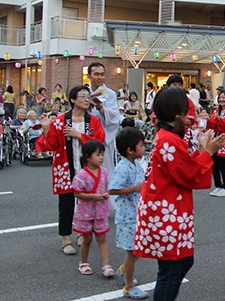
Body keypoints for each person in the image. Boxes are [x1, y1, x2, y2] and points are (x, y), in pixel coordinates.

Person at [134, 87, 225, 300]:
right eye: (187, 112)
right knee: (171, 270)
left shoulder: (168, 137)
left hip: (167, 209)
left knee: (181, 262)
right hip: (166, 211)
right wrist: (208, 153)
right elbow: (188, 174)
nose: (190, 117)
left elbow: (181, 166)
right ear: (177, 113)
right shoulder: (169, 139)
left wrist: (203, 152)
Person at [36, 85, 105, 255]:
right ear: (73, 100)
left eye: (88, 97)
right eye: (82, 96)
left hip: (86, 168)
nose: (86, 100)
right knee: (66, 204)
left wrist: (79, 135)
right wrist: (46, 127)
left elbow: (99, 142)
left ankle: (82, 233)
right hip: (65, 166)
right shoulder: (60, 121)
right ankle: (66, 238)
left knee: (85, 203)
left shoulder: (93, 121)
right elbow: (51, 145)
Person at [108, 127, 149, 299]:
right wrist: (134, 189)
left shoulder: (136, 164)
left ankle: (124, 270)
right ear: (130, 150)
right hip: (128, 216)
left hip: (137, 213)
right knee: (132, 251)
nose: (144, 148)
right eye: (141, 145)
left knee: (139, 249)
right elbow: (112, 189)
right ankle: (129, 286)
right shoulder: (123, 167)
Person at [71, 140, 115, 277]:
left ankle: (106, 265)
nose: (101, 157)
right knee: (87, 238)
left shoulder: (105, 173)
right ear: (87, 157)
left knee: (102, 238)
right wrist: (92, 196)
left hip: (100, 211)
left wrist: (107, 194)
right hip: (86, 213)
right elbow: (76, 193)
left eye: (102, 154)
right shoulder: (81, 175)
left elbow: (109, 187)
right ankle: (84, 262)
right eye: (98, 154)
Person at [88, 62, 121, 176]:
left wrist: (100, 106)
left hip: (104, 136)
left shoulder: (110, 94)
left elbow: (114, 117)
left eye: (102, 74)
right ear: (89, 76)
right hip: (87, 136)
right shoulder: (84, 93)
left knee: (105, 171)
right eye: (96, 74)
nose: (100, 77)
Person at [207, 90, 225, 197]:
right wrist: (212, 120)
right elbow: (212, 124)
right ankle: (218, 186)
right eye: (220, 97)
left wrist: (218, 120)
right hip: (217, 139)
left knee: (222, 165)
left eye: (224, 97)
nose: (222, 100)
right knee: (214, 165)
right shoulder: (216, 110)